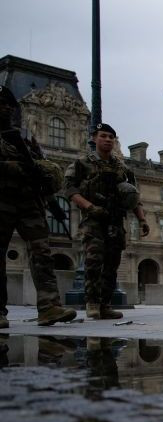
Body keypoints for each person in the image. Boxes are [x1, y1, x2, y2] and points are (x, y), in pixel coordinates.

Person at [0, 86, 77, 328]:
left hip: (30, 202)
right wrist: (20, 168)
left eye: (8, 103)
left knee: (42, 254)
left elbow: (40, 164)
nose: (4, 107)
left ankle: (49, 306)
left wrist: (45, 181)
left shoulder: (24, 136)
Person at [63, 123, 150, 320]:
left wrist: (142, 219)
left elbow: (133, 196)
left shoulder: (122, 168)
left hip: (115, 220)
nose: (108, 139)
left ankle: (105, 304)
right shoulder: (82, 163)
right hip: (93, 219)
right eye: (104, 136)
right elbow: (69, 188)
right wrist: (88, 206)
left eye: (111, 136)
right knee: (94, 261)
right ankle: (92, 302)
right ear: (94, 138)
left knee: (112, 263)